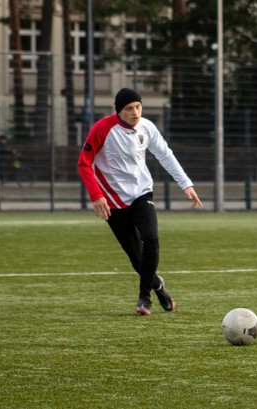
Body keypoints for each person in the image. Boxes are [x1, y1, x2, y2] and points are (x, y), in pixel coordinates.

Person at [77, 88, 202, 316]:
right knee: (137, 259)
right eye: (129, 109)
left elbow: (165, 154)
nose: (135, 112)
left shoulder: (147, 127)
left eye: (138, 106)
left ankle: (144, 297)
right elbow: (84, 162)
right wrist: (96, 195)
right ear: (119, 111)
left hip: (142, 194)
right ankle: (159, 286)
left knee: (151, 239)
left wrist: (186, 184)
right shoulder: (103, 129)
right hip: (113, 202)